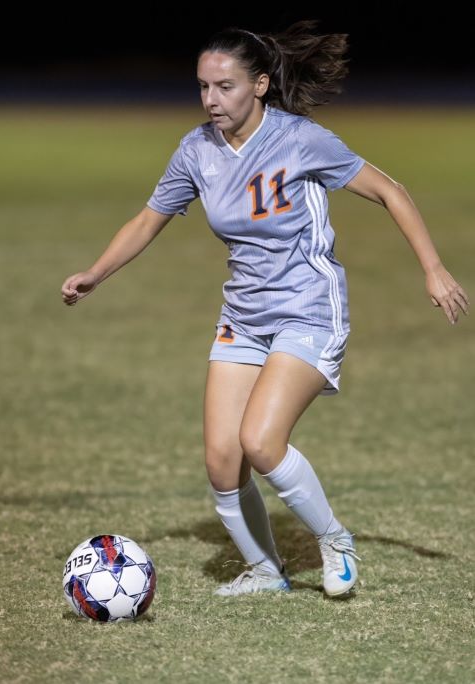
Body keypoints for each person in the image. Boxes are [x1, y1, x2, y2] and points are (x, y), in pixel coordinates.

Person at [60, 20, 468, 597]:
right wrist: (95, 274)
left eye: (224, 87)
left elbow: (389, 190)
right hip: (244, 316)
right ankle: (264, 571)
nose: (210, 100)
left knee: (261, 442)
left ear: (259, 85)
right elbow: (149, 218)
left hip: (308, 309)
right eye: (202, 87)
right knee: (223, 460)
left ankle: (335, 541)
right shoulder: (197, 149)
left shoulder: (301, 139)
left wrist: (432, 267)